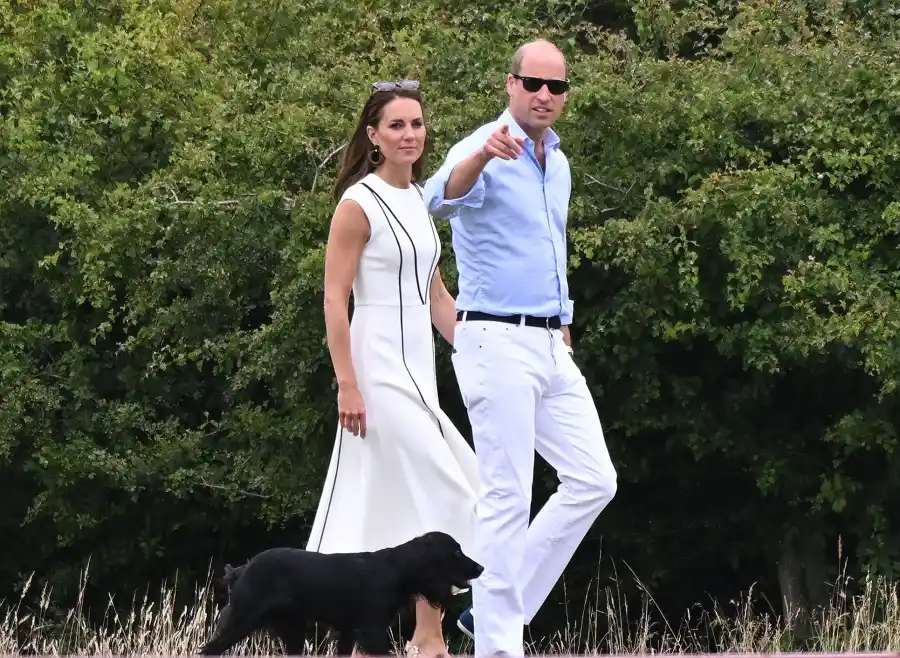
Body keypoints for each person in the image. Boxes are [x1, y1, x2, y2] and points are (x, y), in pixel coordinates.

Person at [422, 40, 618, 657]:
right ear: (510, 84)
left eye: (556, 87)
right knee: (508, 494)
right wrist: (482, 155)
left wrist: (563, 323)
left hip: (548, 341)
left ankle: (493, 609)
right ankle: (500, 648)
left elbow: (549, 250)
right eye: (533, 83)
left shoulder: (556, 162)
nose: (544, 95)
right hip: (494, 338)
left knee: (594, 478)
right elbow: (438, 197)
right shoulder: (485, 146)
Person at [306, 79, 480, 658]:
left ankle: (381, 640)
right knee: (457, 488)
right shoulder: (358, 203)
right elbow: (335, 299)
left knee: (394, 505)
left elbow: (436, 297)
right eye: (397, 125)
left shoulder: (420, 202)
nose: (410, 134)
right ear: (373, 135)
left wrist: (481, 354)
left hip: (419, 369)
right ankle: (427, 637)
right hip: (376, 369)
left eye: (417, 124)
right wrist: (347, 384)